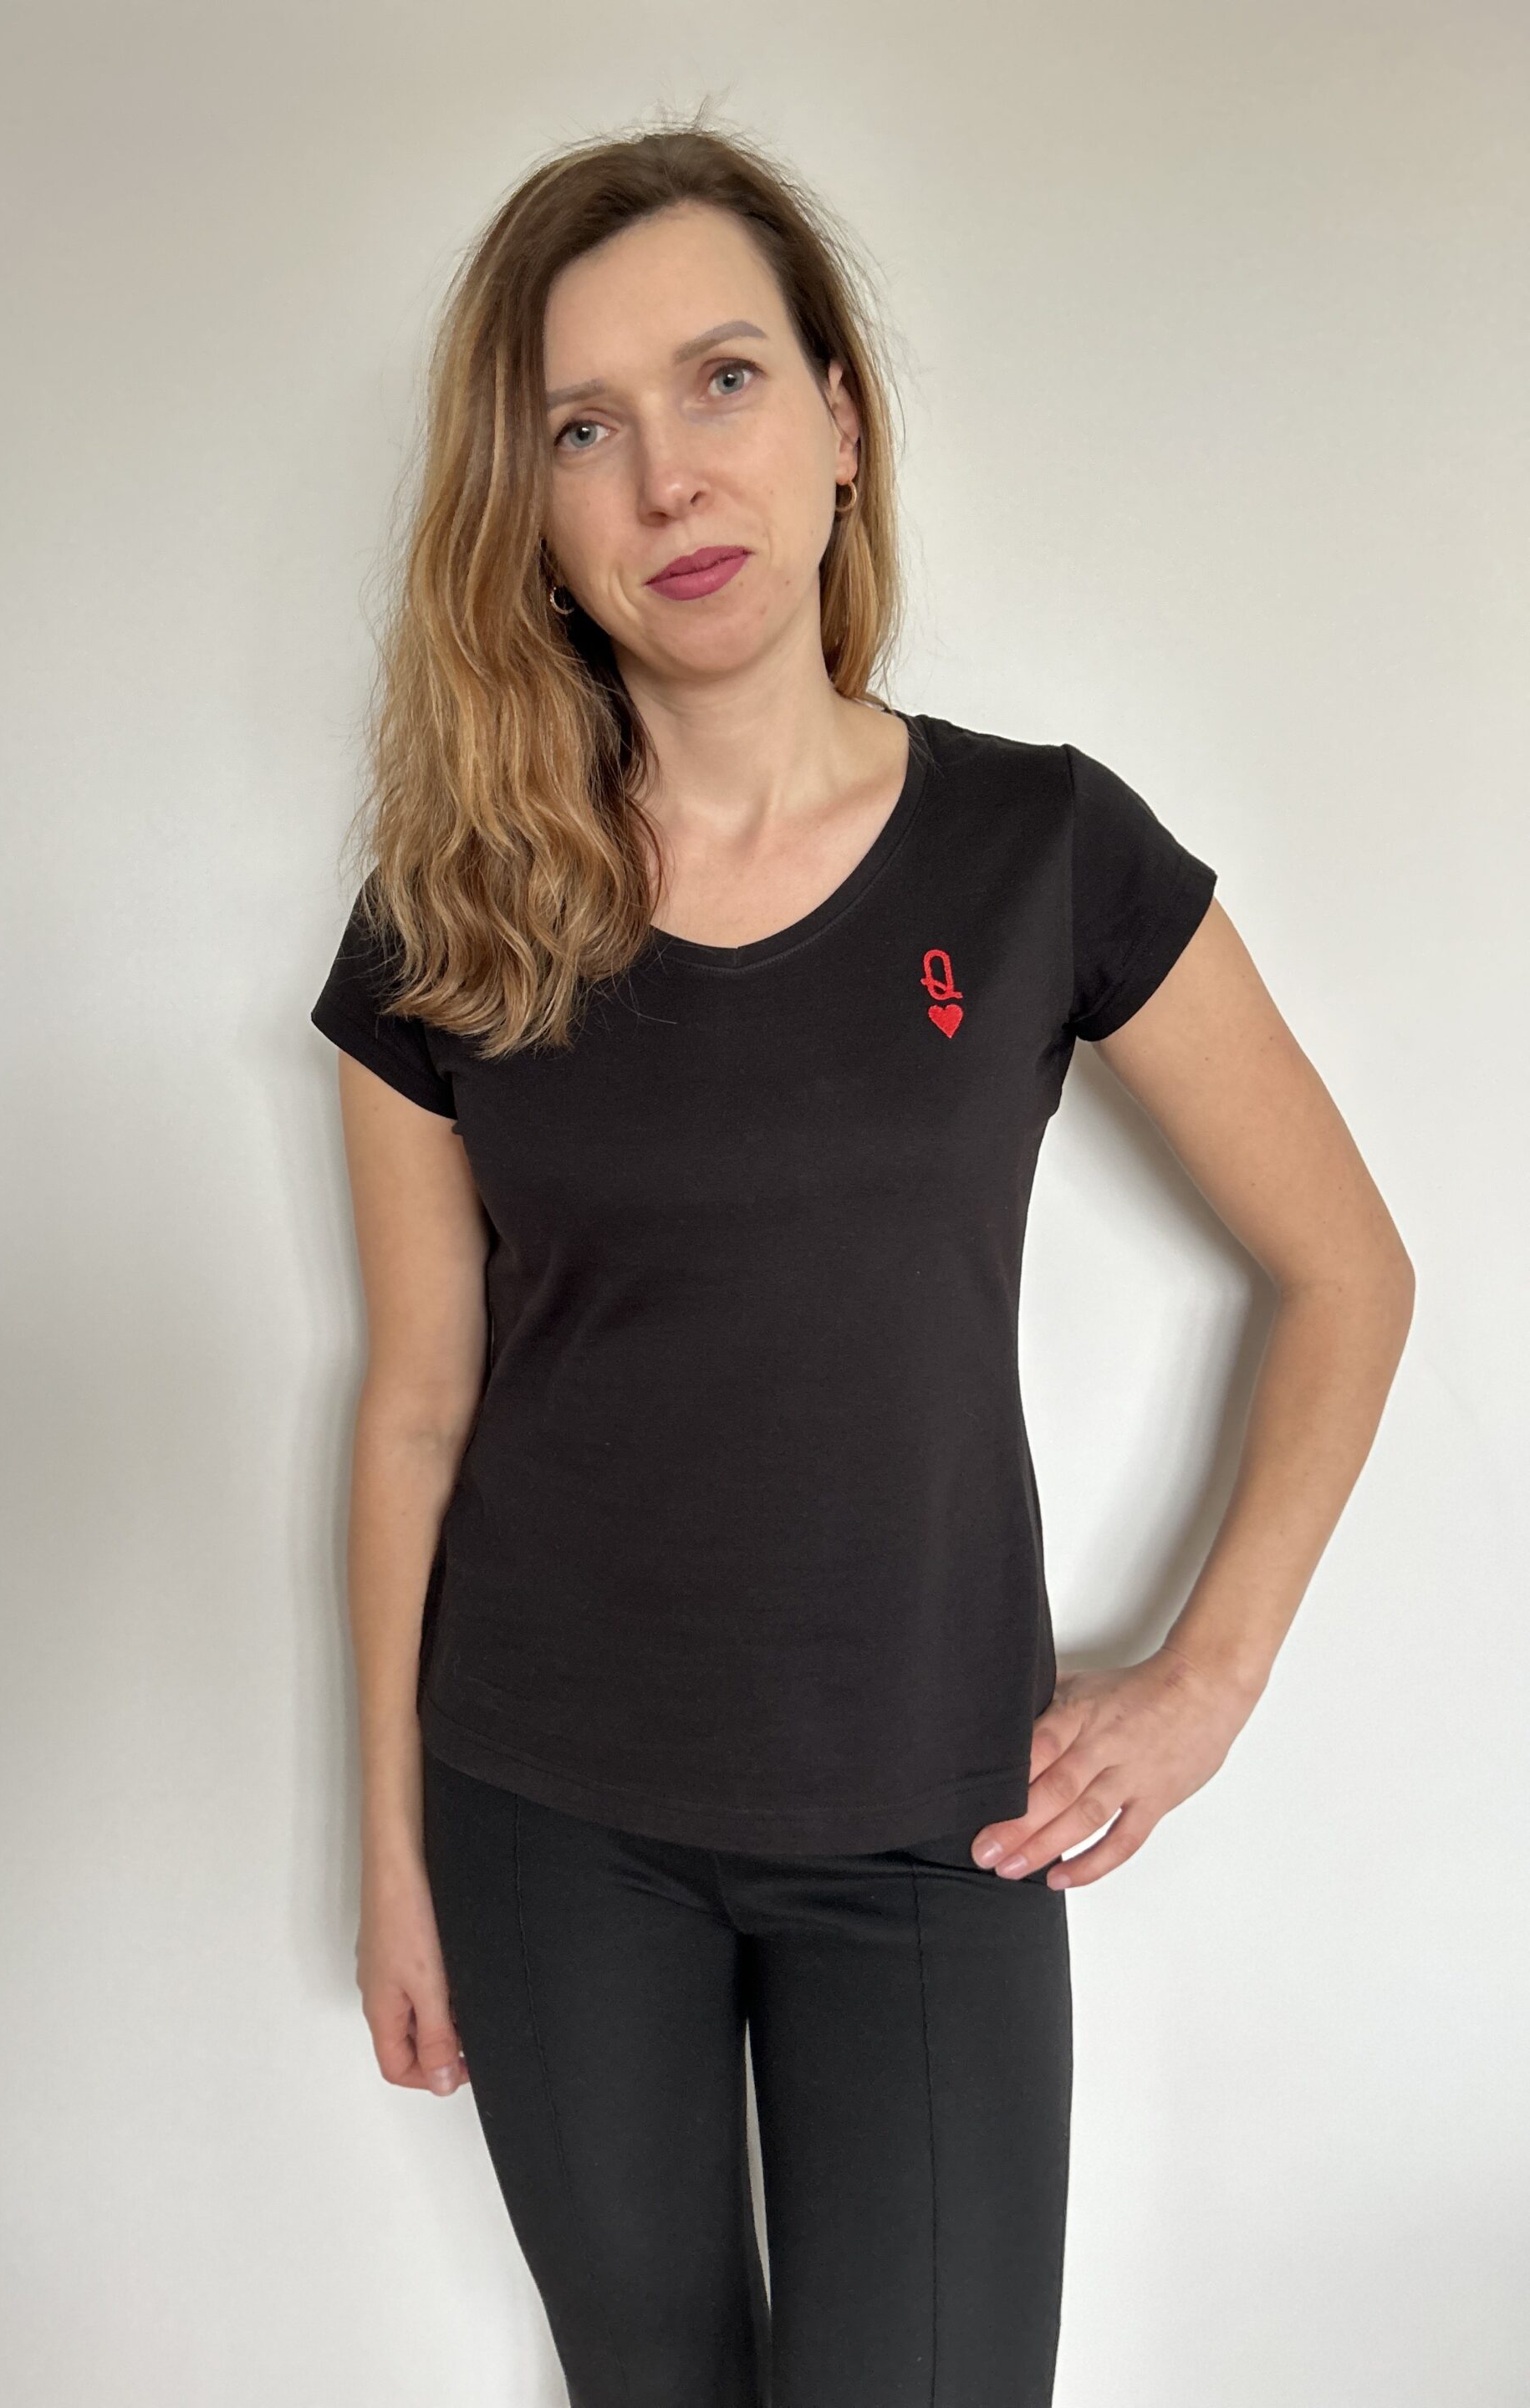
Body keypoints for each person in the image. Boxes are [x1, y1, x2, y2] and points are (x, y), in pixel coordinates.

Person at [308, 118, 1414, 2408]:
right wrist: (395, 1853)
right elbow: (414, 1404)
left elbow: (1349, 1269)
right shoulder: (453, 912)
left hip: (933, 1823)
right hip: (544, 1822)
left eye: (722, 381)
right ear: (530, 513)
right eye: (581, 431)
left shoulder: (1040, 848)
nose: (667, 481)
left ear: (837, 419)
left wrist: (1212, 1676)